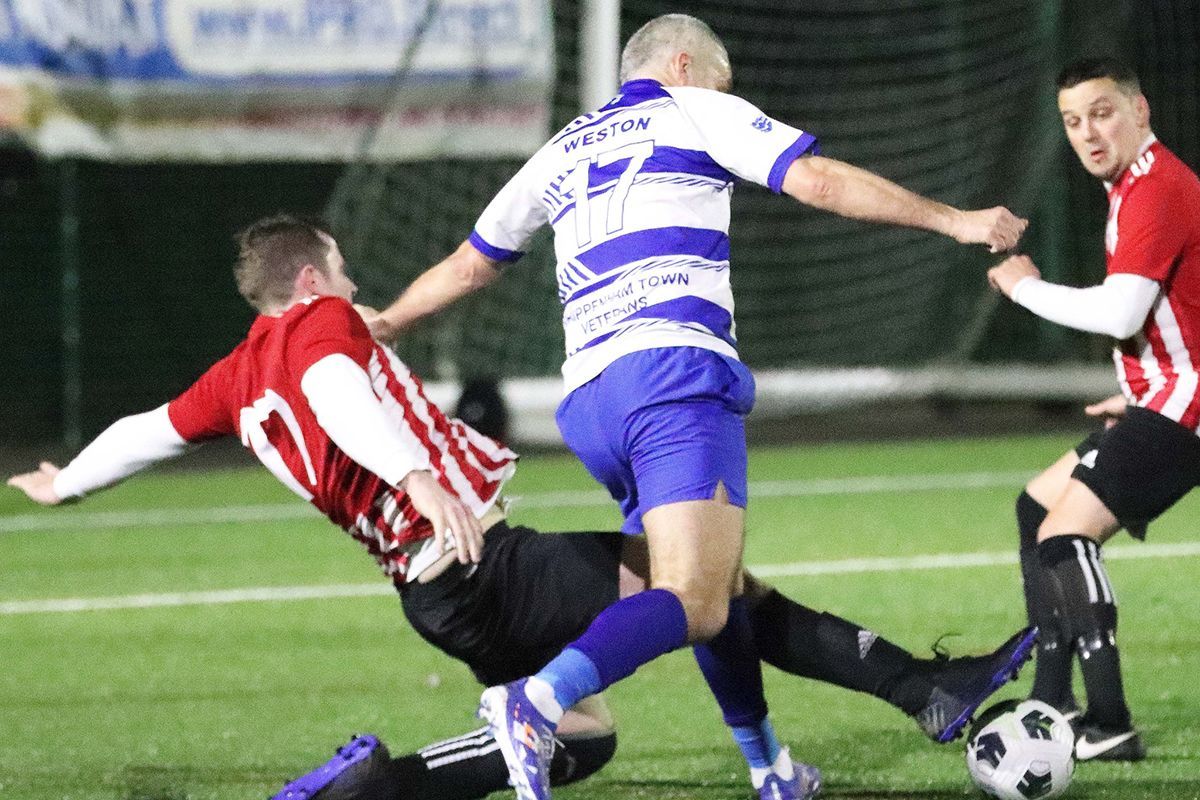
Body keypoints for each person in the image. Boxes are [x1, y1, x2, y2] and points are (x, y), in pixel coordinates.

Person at [6, 215, 1036, 800]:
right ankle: (910, 692)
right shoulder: (319, 327)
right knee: (705, 586)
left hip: (436, 599)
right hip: (481, 563)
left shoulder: (237, 376)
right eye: (345, 270)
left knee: (585, 738)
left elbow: (147, 427)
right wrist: (415, 475)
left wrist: (69, 481)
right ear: (310, 274)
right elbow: (334, 390)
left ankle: (377, 789)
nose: (355, 287)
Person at [363, 13, 1028, 800]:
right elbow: (817, 180)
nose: (727, 91)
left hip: (594, 402)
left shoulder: (561, 149)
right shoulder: (691, 107)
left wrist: (388, 322)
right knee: (696, 597)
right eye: (722, 78)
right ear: (681, 63)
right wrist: (955, 219)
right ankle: (536, 702)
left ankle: (802, 751)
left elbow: (470, 265)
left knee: (719, 587)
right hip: (671, 376)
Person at [987, 56, 1200, 762]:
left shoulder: (1157, 187)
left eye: (1102, 113)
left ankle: (1109, 724)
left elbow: (1121, 312)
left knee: (1065, 535)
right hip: (1167, 395)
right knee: (1036, 508)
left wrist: (1024, 288)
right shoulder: (1135, 187)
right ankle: (1053, 702)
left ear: (1141, 112)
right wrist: (1139, 391)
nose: (1088, 133)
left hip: (1188, 405)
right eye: (1073, 121)